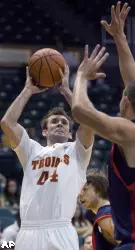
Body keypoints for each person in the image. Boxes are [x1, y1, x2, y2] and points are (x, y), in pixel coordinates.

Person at [72, 3, 135, 250]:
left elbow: (80, 111)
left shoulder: (131, 132)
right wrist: (120, 39)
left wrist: (81, 77)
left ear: (125, 101)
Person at [0, 65, 94, 250]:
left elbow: (89, 121)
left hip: (60, 228)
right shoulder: (31, 150)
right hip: (28, 230)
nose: (60, 123)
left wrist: (67, 92)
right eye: (54, 121)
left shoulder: (76, 150)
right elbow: (7, 122)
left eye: (65, 122)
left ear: (70, 133)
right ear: (44, 131)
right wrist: (27, 90)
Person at [80, 169, 117, 249]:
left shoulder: (105, 215)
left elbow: (128, 245)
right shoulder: (108, 211)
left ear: (99, 189)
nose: (80, 194)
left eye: (85, 189)